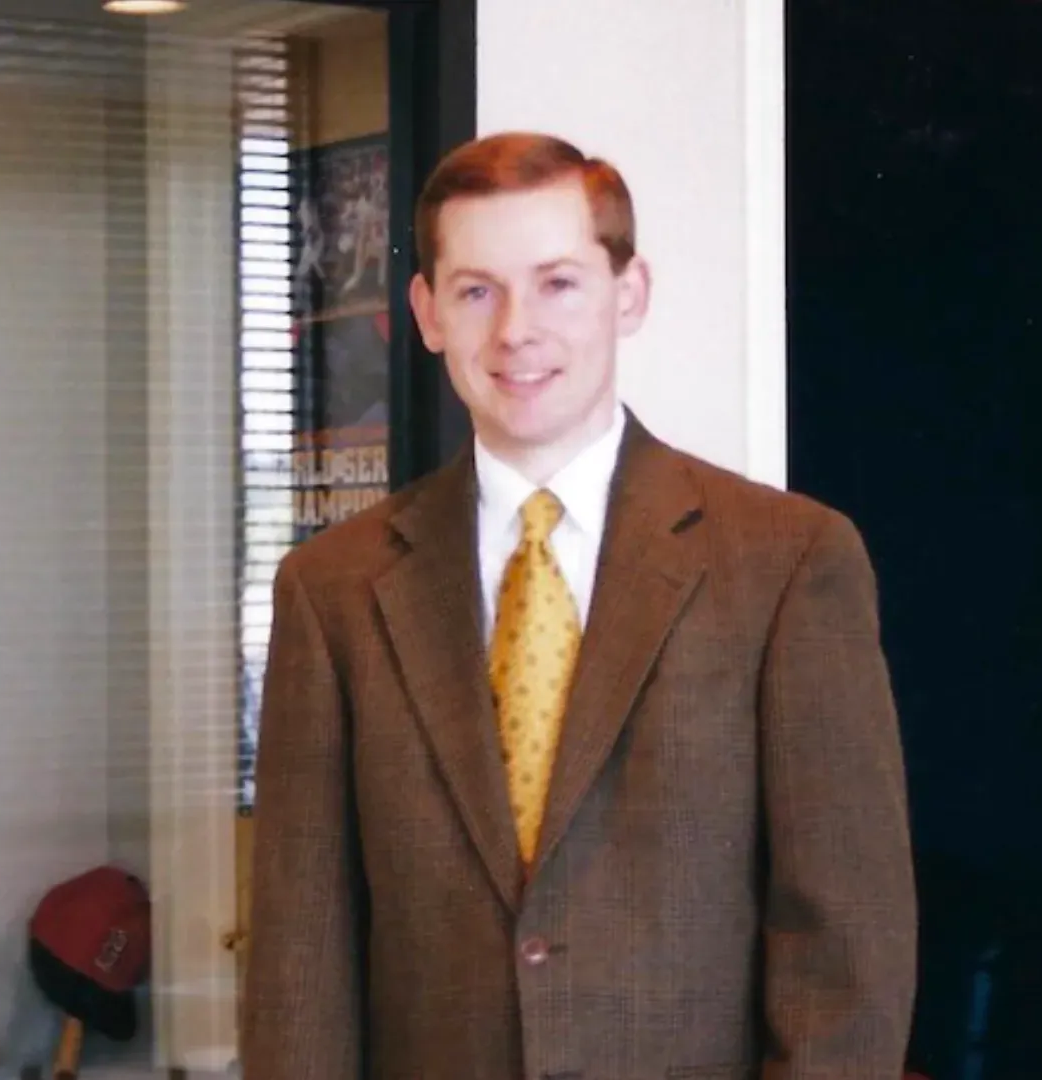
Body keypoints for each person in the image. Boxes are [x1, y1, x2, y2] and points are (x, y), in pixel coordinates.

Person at [242, 131, 917, 1080]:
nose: (516, 330)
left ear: (628, 293)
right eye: (477, 291)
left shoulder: (787, 562)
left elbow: (846, 949)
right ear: (427, 314)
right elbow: (299, 961)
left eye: (557, 283)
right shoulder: (332, 591)